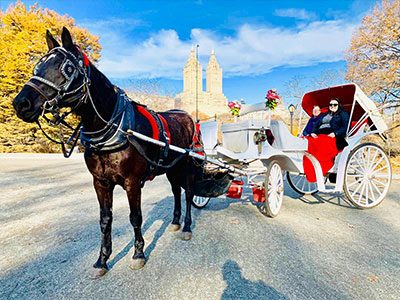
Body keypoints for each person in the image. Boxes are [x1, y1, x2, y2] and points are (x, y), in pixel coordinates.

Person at [303, 98, 350, 182]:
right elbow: (316, 125)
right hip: (319, 133)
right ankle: (310, 166)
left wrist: (335, 133)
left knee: (322, 143)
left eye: (335, 104)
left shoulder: (343, 114)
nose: (332, 106)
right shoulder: (324, 114)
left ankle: (321, 167)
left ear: (338, 105)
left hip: (333, 135)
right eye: (331, 104)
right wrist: (313, 132)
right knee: (307, 141)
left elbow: (345, 127)